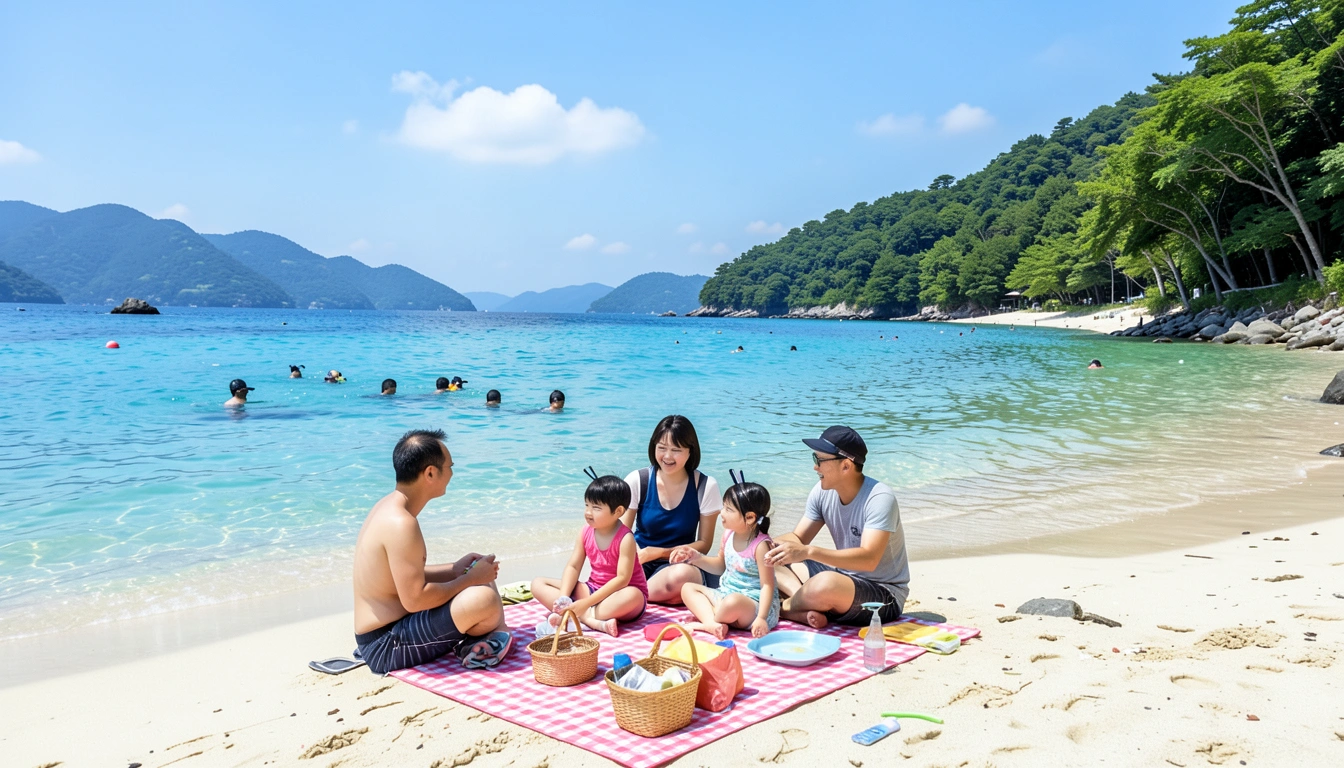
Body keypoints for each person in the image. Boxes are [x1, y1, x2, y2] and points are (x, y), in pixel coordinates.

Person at [352, 429, 510, 675]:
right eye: (450, 466)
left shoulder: (389, 507)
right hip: (385, 645)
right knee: (483, 598)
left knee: (481, 577)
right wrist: (468, 579)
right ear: (430, 473)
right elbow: (415, 599)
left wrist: (455, 570)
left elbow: (402, 577)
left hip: (389, 630)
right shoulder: (401, 523)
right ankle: (496, 633)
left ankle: (496, 631)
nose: (452, 473)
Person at [766, 426, 909, 629]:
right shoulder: (822, 491)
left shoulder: (879, 498)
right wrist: (761, 543)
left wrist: (808, 552)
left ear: (845, 466)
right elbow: (798, 538)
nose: (815, 467)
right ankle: (805, 605)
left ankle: (783, 608)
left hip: (883, 594)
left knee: (826, 584)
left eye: (819, 460)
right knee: (769, 558)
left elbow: (869, 559)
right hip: (842, 579)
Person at [530, 473, 648, 637]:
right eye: (587, 505)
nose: (588, 512)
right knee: (538, 583)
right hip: (592, 589)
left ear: (618, 511)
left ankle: (578, 616)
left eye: (596, 508)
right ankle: (589, 619)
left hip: (620, 594)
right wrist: (564, 597)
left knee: (633, 595)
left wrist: (585, 603)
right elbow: (574, 565)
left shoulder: (625, 538)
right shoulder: (585, 532)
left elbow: (622, 580)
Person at [621, 416, 722, 604]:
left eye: (676, 450)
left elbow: (704, 543)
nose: (667, 456)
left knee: (683, 576)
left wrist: (659, 552)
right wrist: (637, 556)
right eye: (662, 448)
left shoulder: (705, 486)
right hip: (639, 560)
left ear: (690, 451)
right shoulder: (638, 480)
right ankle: (648, 595)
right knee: (621, 573)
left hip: (679, 563)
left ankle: (634, 596)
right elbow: (621, 532)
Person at [672, 474, 779, 639]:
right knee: (687, 588)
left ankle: (710, 620)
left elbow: (767, 586)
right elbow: (720, 565)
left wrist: (762, 618)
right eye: (723, 507)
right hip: (726, 595)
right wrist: (697, 558)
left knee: (732, 602)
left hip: (753, 606)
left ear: (750, 517)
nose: (722, 513)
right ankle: (712, 624)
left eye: (729, 509)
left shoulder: (760, 546)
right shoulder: (729, 534)